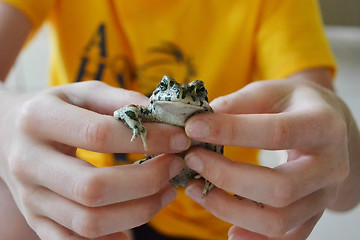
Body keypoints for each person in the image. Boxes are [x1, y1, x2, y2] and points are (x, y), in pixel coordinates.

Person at [0, 0, 359, 239]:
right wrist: (7, 122)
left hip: (211, 221)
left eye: (193, 92)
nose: (182, 96)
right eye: (173, 89)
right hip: (83, 200)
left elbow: (345, 189)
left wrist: (335, 136)